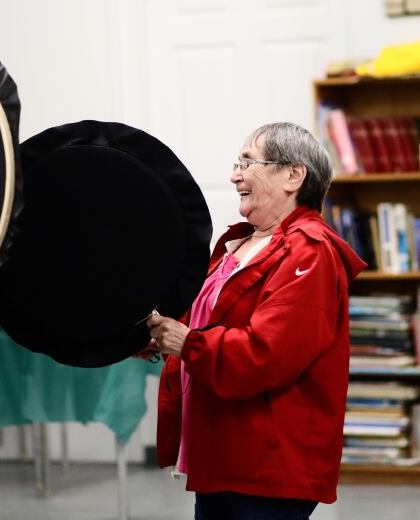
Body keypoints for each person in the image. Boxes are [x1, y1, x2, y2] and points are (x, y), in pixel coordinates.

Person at [141, 122, 367, 519]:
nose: (234, 175)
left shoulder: (309, 252)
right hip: (222, 454)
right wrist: (155, 334)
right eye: (237, 163)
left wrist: (188, 343)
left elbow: (268, 354)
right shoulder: (238, 245)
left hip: (269, 464)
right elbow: (204, 319)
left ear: (293, 175)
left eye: (249, 162)